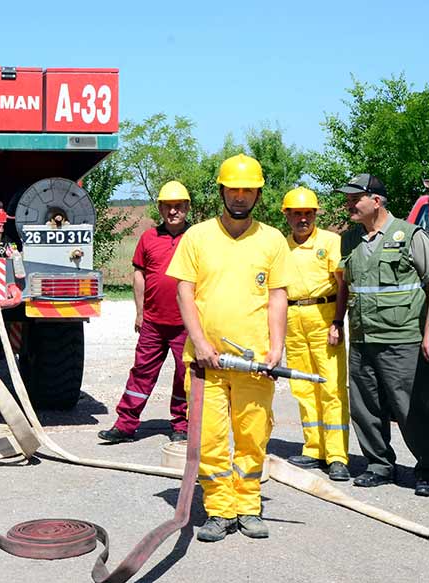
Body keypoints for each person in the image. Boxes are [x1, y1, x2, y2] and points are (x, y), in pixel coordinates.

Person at [168, 153, 291, 542]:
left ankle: (248, 505)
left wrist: (276, 348)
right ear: (221, 190)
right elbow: (184, 291)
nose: (240, 197)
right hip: (207, 363)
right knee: (209, 438)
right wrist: (200, 343)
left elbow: (277, 297)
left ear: (257, 195)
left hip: (255, 363)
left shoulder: (272, 240)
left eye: (248, 190)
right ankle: (220, 509)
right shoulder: (197, 236)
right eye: (233, 189)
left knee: (253, 435)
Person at [335, 173, 429, 496]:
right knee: (365, 406)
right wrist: (337, 322)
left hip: (403, 338)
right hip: (362, 337)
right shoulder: (349, 240)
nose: (348, 204)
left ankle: (427, 468)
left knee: (410, 407)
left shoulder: (409, 235)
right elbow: (344, 285)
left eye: (354, 198)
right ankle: (379, 465)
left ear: (376, 201)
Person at [98, 181, 190, 444]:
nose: (173, 212)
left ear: (186, 208)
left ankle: (181, 425)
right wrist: (139, 312)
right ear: (160, 209)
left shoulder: (196, 238)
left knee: (185, 376)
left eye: (178, 207)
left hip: (185, 324)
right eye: (168, 207)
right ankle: (125, 425)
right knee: (141, 373)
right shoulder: (148, 238)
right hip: (153, 323)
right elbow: (139, 274)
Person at [281, 187, 350, 481]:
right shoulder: (281, 246)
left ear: (315, 215)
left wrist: (337, 321)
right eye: (297, 213)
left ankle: (337, 456)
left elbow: (342, 283)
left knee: (331, 386)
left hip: (324, 315)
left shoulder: (330, 242)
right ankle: (314, 448)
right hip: (293, 318)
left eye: (308, 213)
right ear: (287, 216)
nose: (303, 219)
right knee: (303, 386)